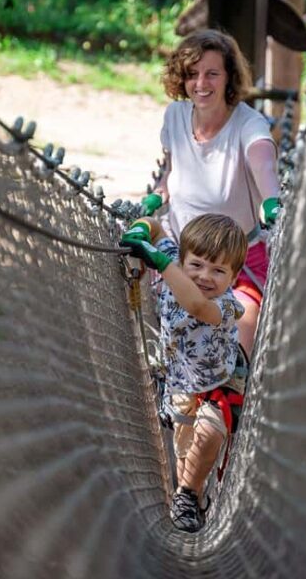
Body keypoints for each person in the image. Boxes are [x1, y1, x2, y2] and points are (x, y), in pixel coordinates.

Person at [139, 29, 281, 358]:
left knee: (238, 336)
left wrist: (273, 200)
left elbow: (263, 162)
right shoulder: (175, 115)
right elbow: (171, 169)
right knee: (174, 342)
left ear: (229, 77)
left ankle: (236, 383)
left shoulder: (248, 123)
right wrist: (159, 193)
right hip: (182, 256)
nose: (201, 83)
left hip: (236, 262)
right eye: (192, 74)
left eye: (212, 74)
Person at [119, 213, 248, 533]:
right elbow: (153, 224)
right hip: (179, 382)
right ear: (183, 257)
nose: (205, 276)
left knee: (209, 433)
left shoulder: (227, 305)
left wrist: (162, 264)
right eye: (197, 265)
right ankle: (193, 492)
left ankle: (187, 494)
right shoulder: (173, 261)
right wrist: (140, 229)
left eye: (218, 270)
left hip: (223, 381)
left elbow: (197, 306)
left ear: (234, 277)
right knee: (185, 451)